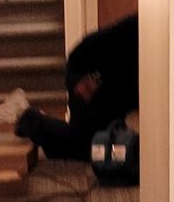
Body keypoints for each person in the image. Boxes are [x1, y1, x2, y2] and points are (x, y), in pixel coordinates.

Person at [16, 12, 138, 162]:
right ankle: (32, 120)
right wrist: (91, 81)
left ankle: (39, 126)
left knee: (105, 148)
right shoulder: (143, 28)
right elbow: (107, 45)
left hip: (108, 81)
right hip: (87, 72)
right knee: (90, 145)